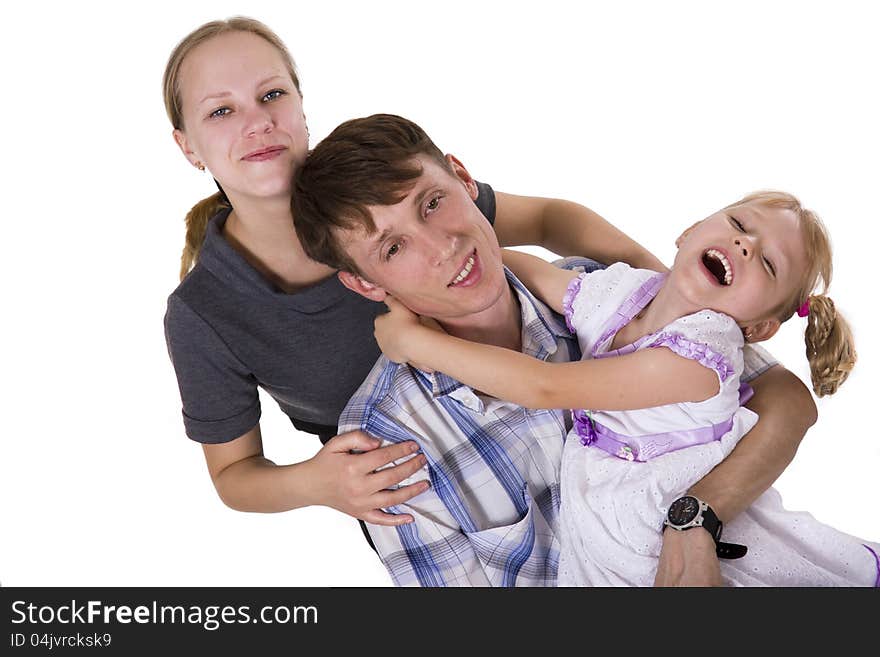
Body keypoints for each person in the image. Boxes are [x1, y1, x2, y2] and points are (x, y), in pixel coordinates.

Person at [162, 18, 664, 541]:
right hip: (438, 490)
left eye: (271, 94)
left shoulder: (377, 192)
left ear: (302, 106)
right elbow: (232, 474)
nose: (257, 122)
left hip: (558, 406)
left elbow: (546, 219)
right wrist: (317, 482)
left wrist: (660, 288)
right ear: (188, 147)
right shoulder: (204, 312)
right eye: (221, 110)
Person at [292, 113, 819, 586]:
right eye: (393, 247)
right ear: (365, 285)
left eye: (433, 203)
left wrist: (697, 517)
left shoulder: (616, 306)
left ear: (462, 177)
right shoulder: (387, 439)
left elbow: (787, 399)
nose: (443, 246)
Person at [376, 189, 880, 586]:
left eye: (769, 265)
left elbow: (545, 387)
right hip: (598, 502)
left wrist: (414, 342)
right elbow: (535, 274)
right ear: (687, 232)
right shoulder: (628, 290)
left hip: (655, 506)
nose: (746, 245)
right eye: (739, 224)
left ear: (760, 329)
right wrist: (461, 260)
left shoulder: (703, 357)